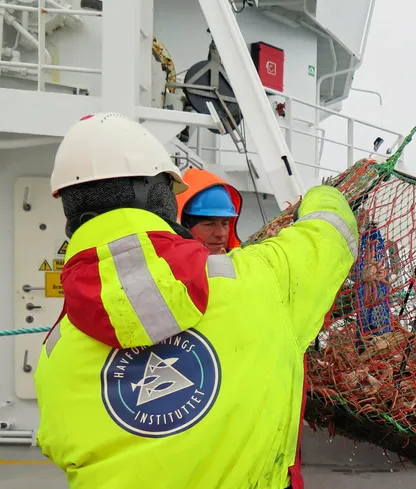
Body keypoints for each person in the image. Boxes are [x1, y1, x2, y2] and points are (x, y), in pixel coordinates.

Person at [33, 112, 358, 489]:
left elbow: (57, 443)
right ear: (159, 198)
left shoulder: (54, 352)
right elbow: (330, 236)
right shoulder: (263, 281)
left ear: (72, 217)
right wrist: (324, 194)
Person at [174, 167, 243, 254]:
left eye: (225, 223)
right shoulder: (165, 265)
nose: (221, 234)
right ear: (184, 226)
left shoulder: (243, 264)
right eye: (209, 224)